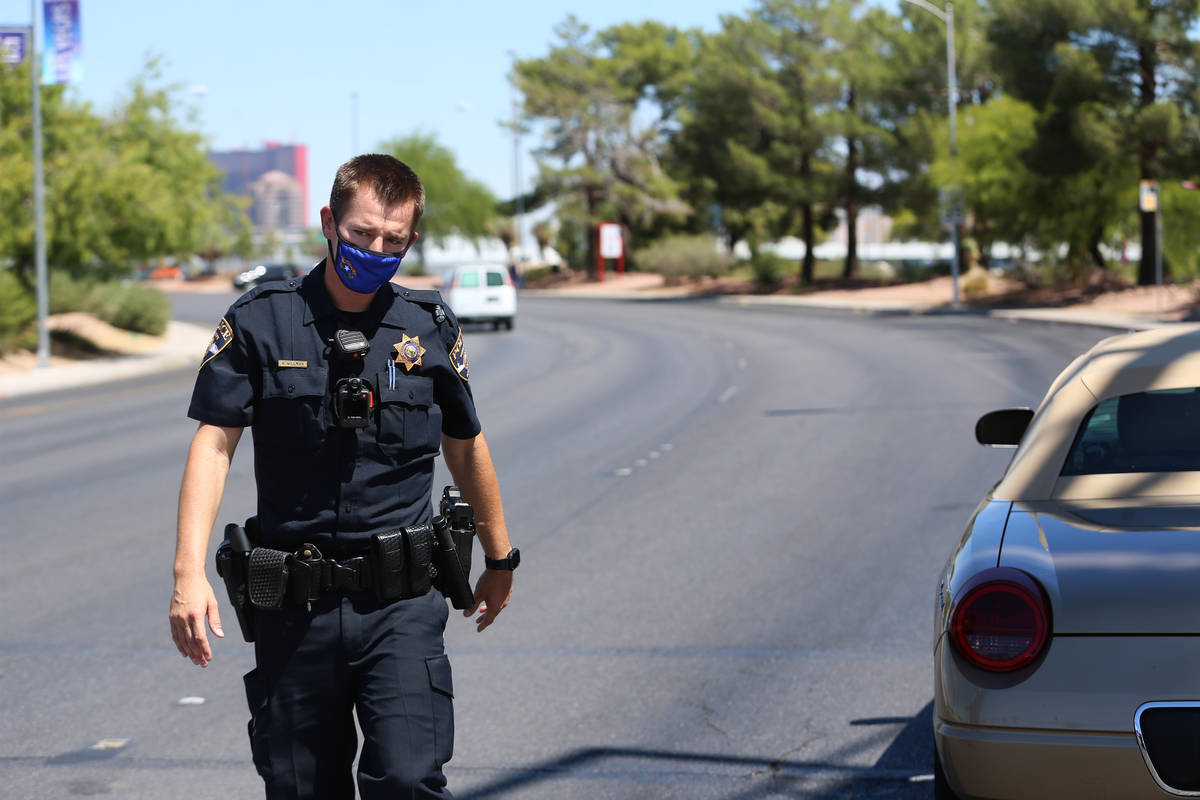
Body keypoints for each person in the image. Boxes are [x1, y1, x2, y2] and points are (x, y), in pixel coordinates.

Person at [168, 154, 518, 799]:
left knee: (408, 779)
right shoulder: (260, 320)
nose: (376, 250)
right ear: (329, 222)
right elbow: (214, 445)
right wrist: (188, 575)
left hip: (401, 605)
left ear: (412, 239)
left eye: (393, 239)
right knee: (302, 788)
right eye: (362, 233)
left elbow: (466, 443)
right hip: (294, 606)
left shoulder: (428, 325)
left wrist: (500, 558)